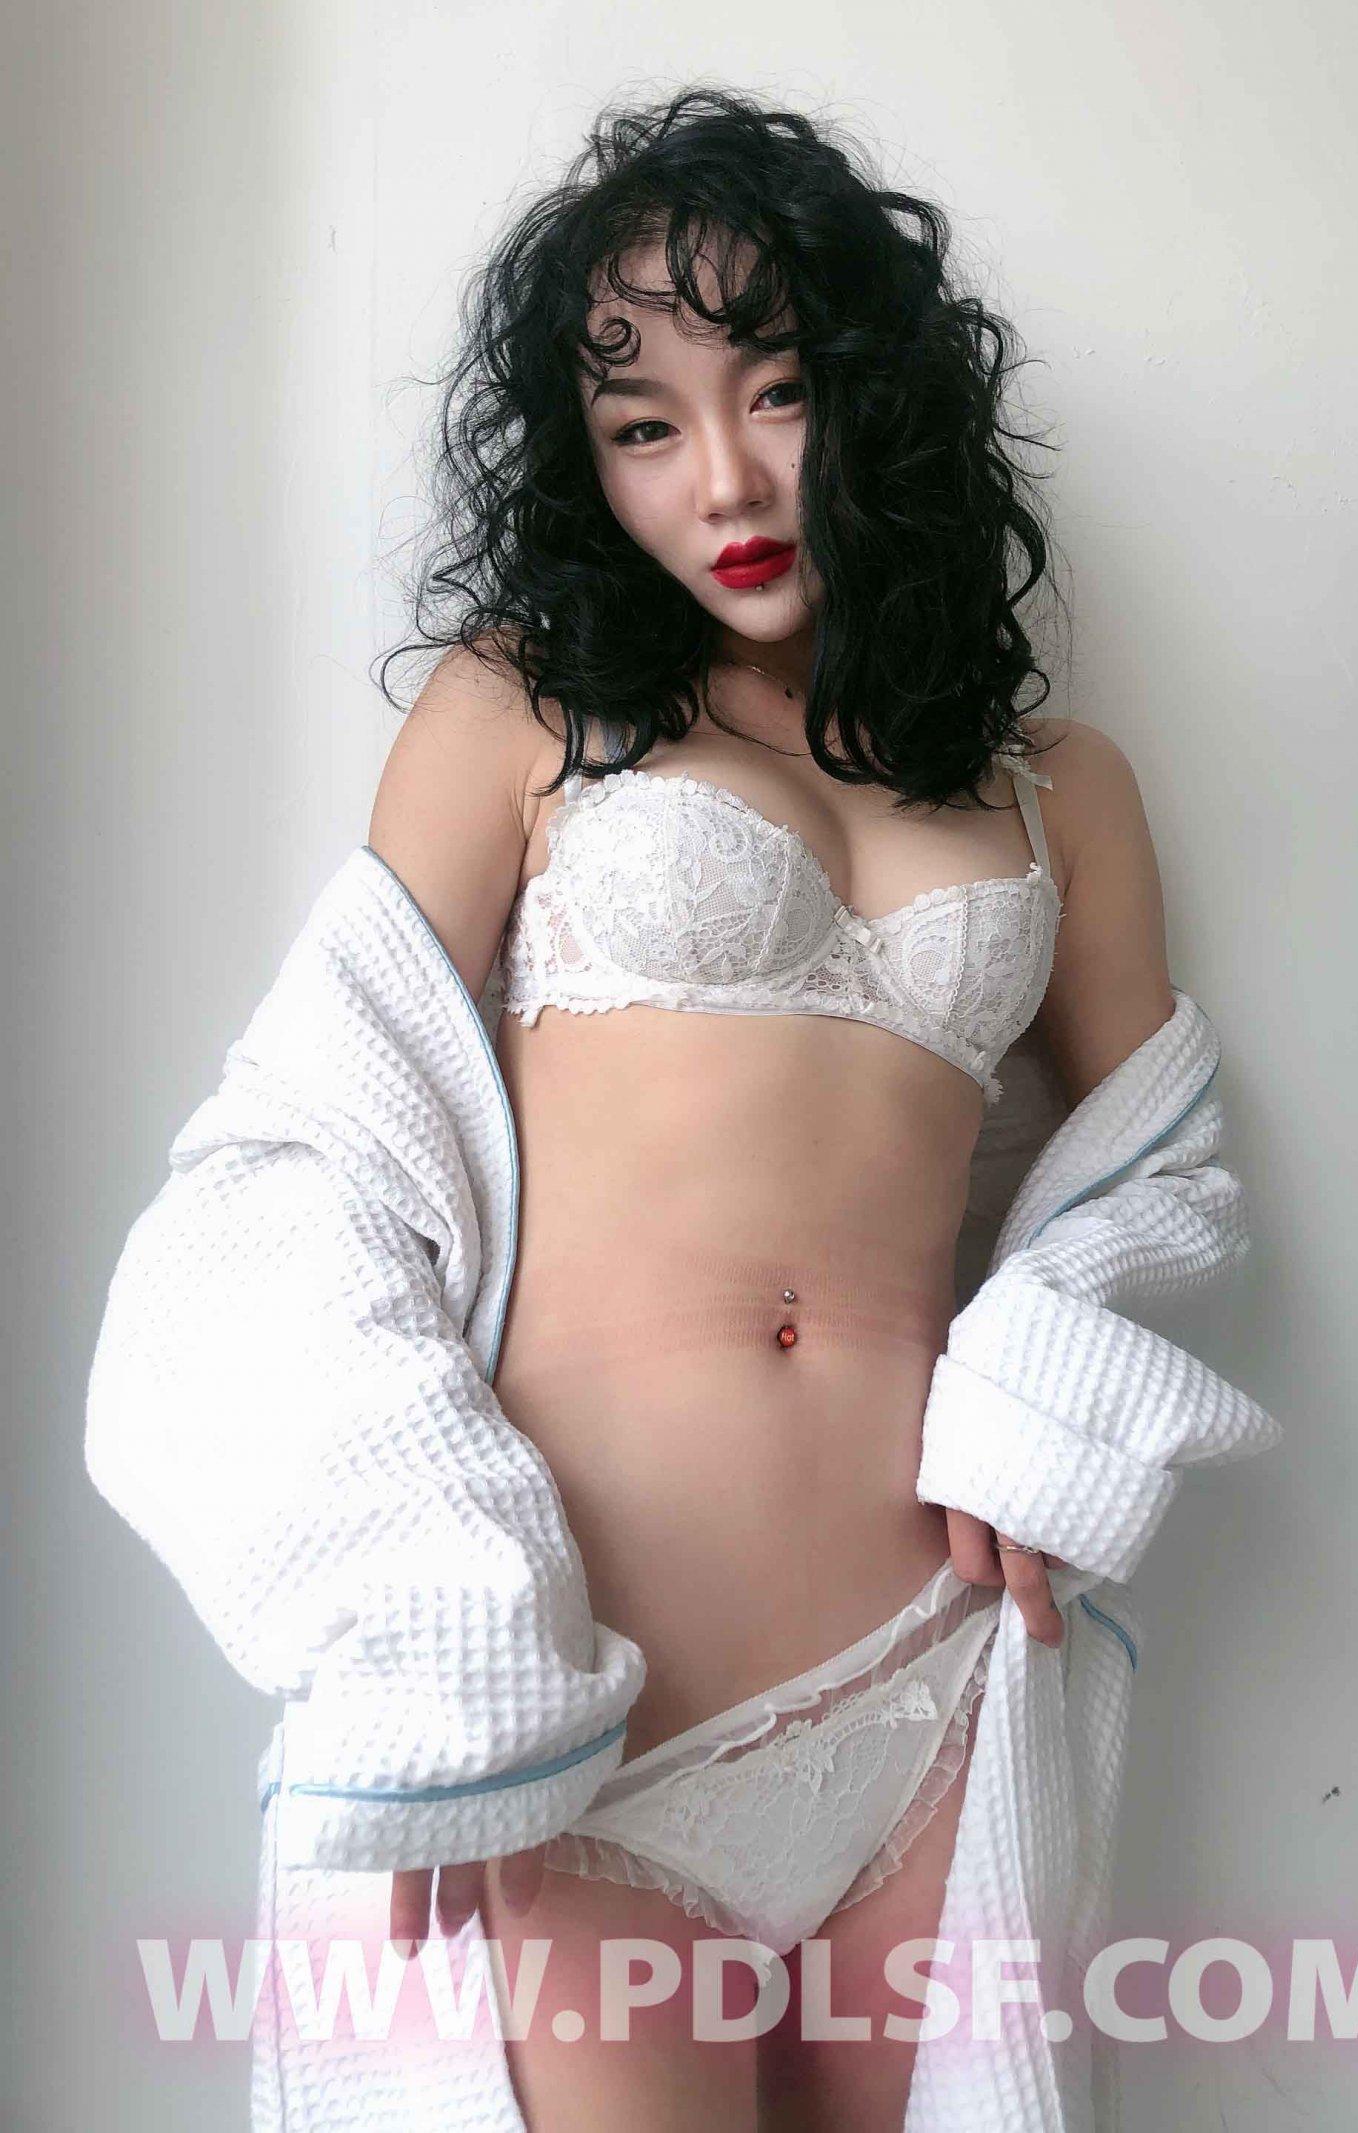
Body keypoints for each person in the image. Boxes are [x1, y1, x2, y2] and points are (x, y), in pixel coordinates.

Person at [364, 86, 1171, 2130]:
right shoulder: (517, 709)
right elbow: (330, 1159)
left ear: (877, 393)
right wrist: (420, 1619)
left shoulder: (1058, 788)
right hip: (588, 1700)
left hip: (928, 1675)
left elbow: (1153, 1176)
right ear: (584, 459)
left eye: (779, 392)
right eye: (643, 426)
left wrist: (1054, 1383)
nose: (721, 479)